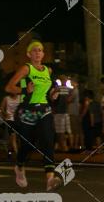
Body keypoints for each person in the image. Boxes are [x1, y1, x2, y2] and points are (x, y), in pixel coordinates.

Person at [5, 41, 60, 190]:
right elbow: (9, 87)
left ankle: (50, 178)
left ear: (43, 54)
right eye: (34, 50)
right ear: (29, 54)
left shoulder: (47, 70)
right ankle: (19, 166)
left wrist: (53, 95)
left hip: (44, 109)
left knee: (48, 141)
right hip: (27, 111)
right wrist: (24, 91)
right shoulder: (26, 68)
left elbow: (47, 92)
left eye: (40, 50)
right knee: (28, 145)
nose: (38, 52)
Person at [53, 74, 71, 152]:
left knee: (60, 131)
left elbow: (53, 99)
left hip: (59, 112)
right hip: (65, 112)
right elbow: (69, 100)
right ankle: (65, 146)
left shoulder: (58, 89)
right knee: (66, 131)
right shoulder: (68, 89)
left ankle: (63, 147)